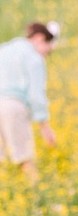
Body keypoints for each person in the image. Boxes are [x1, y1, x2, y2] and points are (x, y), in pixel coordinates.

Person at [0, 22, 58, 181]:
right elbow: (36, 94)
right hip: (13, 106)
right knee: (24, 158)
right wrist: (45, 127)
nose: (46, 55)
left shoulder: (4, 49)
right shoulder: (33, 58)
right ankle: (37, 195)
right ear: (39, 38)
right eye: (48, 50)